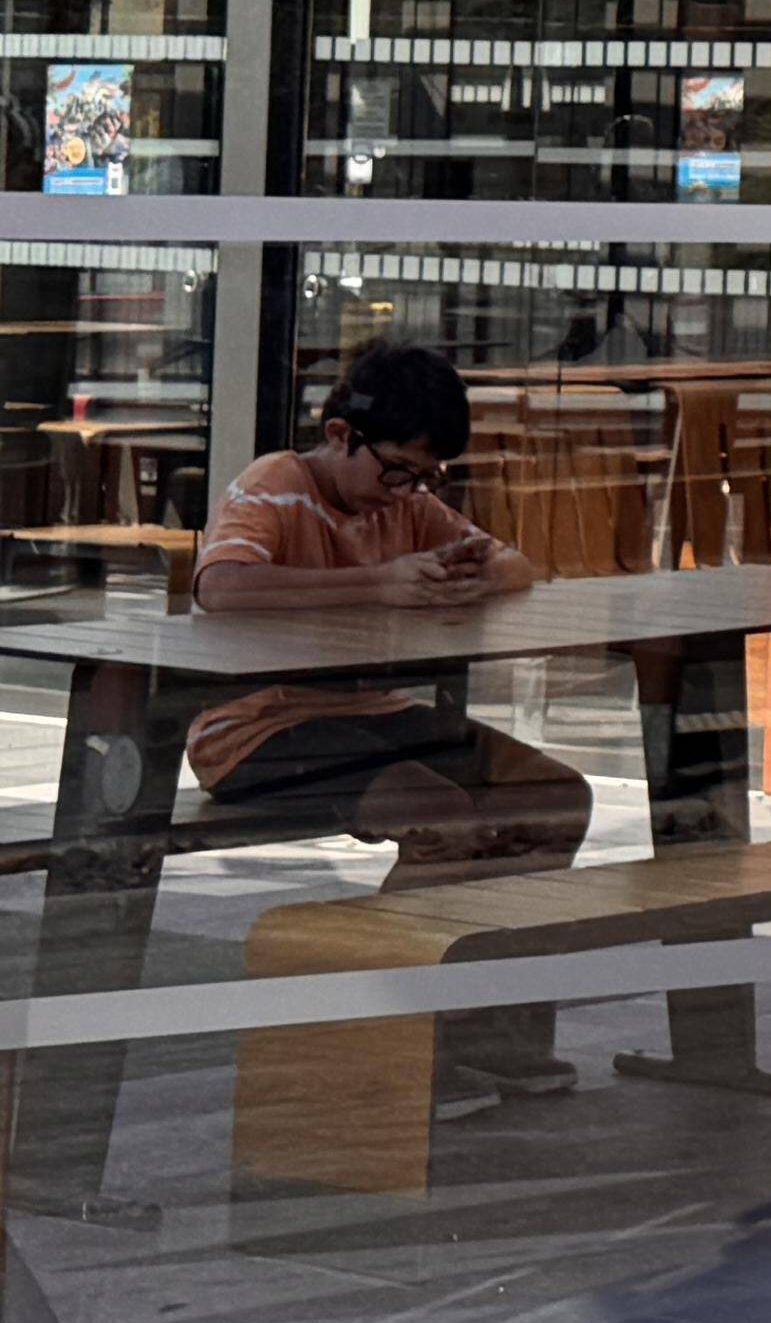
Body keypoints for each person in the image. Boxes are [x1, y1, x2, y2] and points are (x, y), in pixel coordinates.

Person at [193, 343, 593, 1115]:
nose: (408, 491)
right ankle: (385, 1041)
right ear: (341, 435)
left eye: (427, 476)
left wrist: (473, 575)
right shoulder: (276, 485)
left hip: (371, 713)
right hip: (258, 725)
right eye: (399, 471)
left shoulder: (407, 502)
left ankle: (485, 1030)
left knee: (554, 797)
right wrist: (379, 582)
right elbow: (222, 585)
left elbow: (516, 567)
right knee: (442, 818)